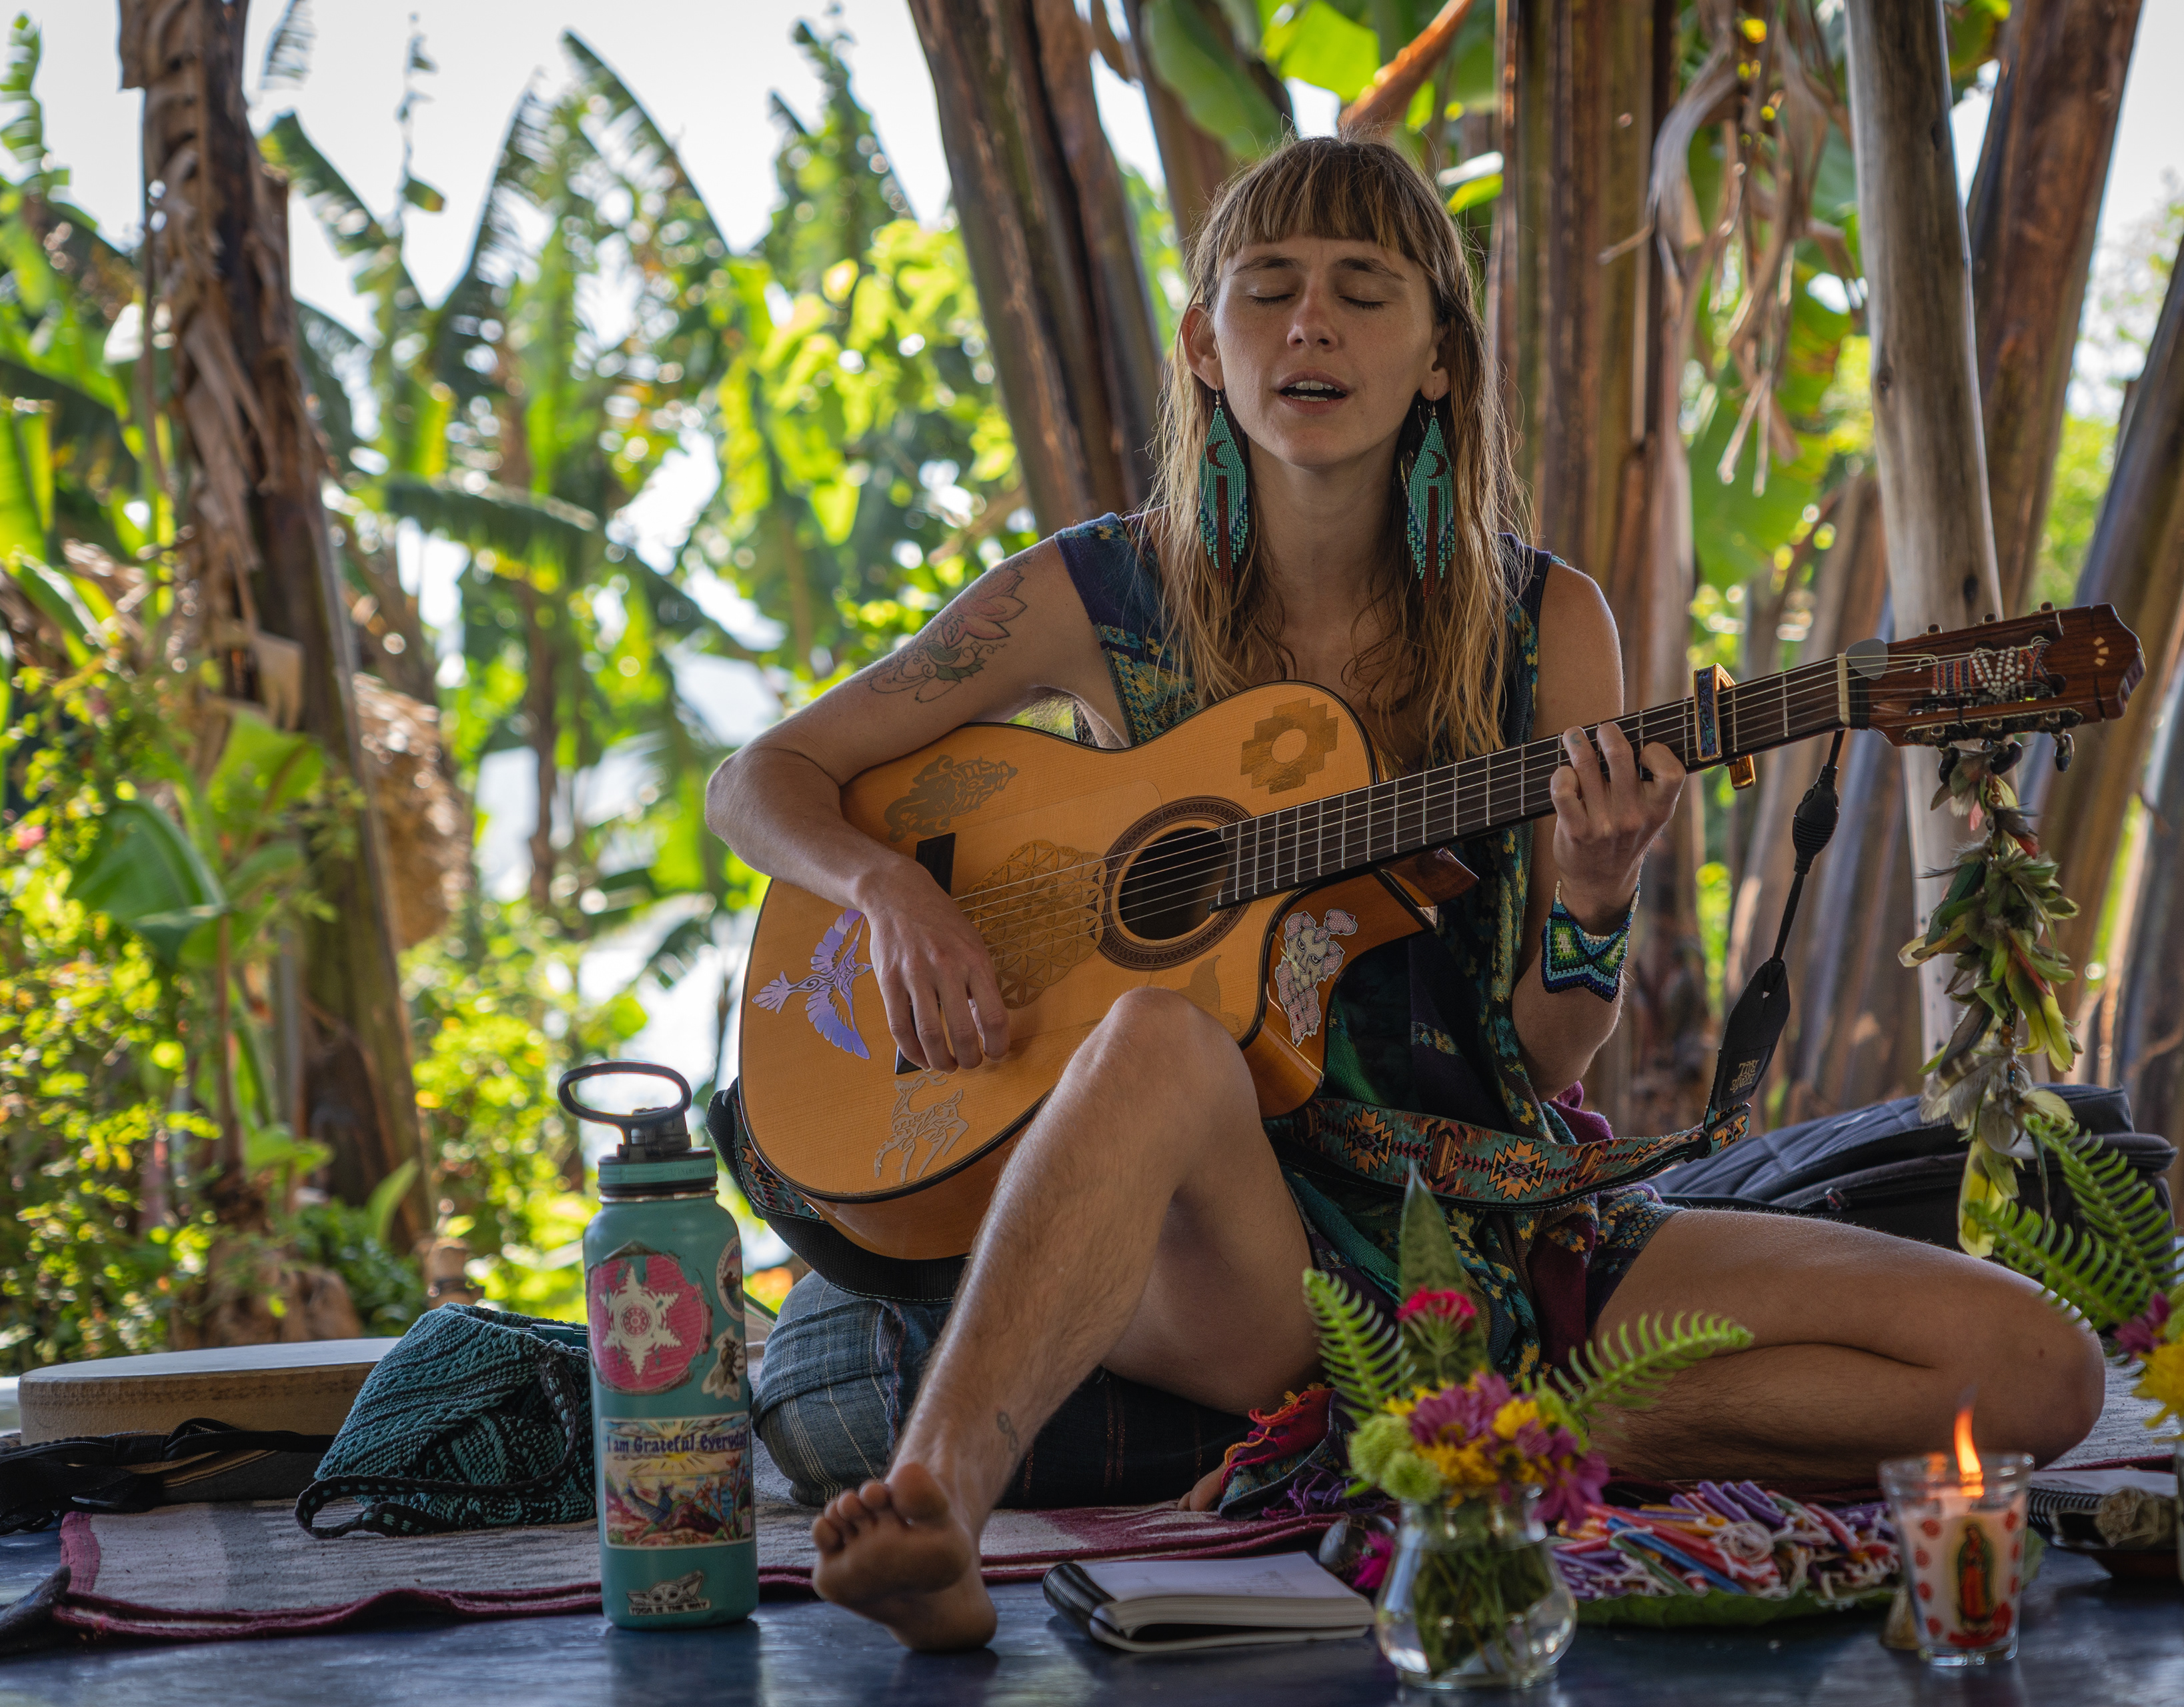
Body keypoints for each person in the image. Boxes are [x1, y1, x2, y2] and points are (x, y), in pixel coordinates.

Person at [703, 136, 2102, 1652]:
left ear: (1438, 356)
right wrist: (891, 889)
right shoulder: (1096, 594)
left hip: (1494, 1215)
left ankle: (1487, 1434)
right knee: (1161, 1035)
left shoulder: (1545, 622)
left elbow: (1544, 1059)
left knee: (2038, 1366)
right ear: (1206, 344)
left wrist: (1594, 890)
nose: (1311, 323)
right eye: (1269, 289)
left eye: (1364, 292)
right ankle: (935, 1509)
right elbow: (761, 778)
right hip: (1240, 1251)